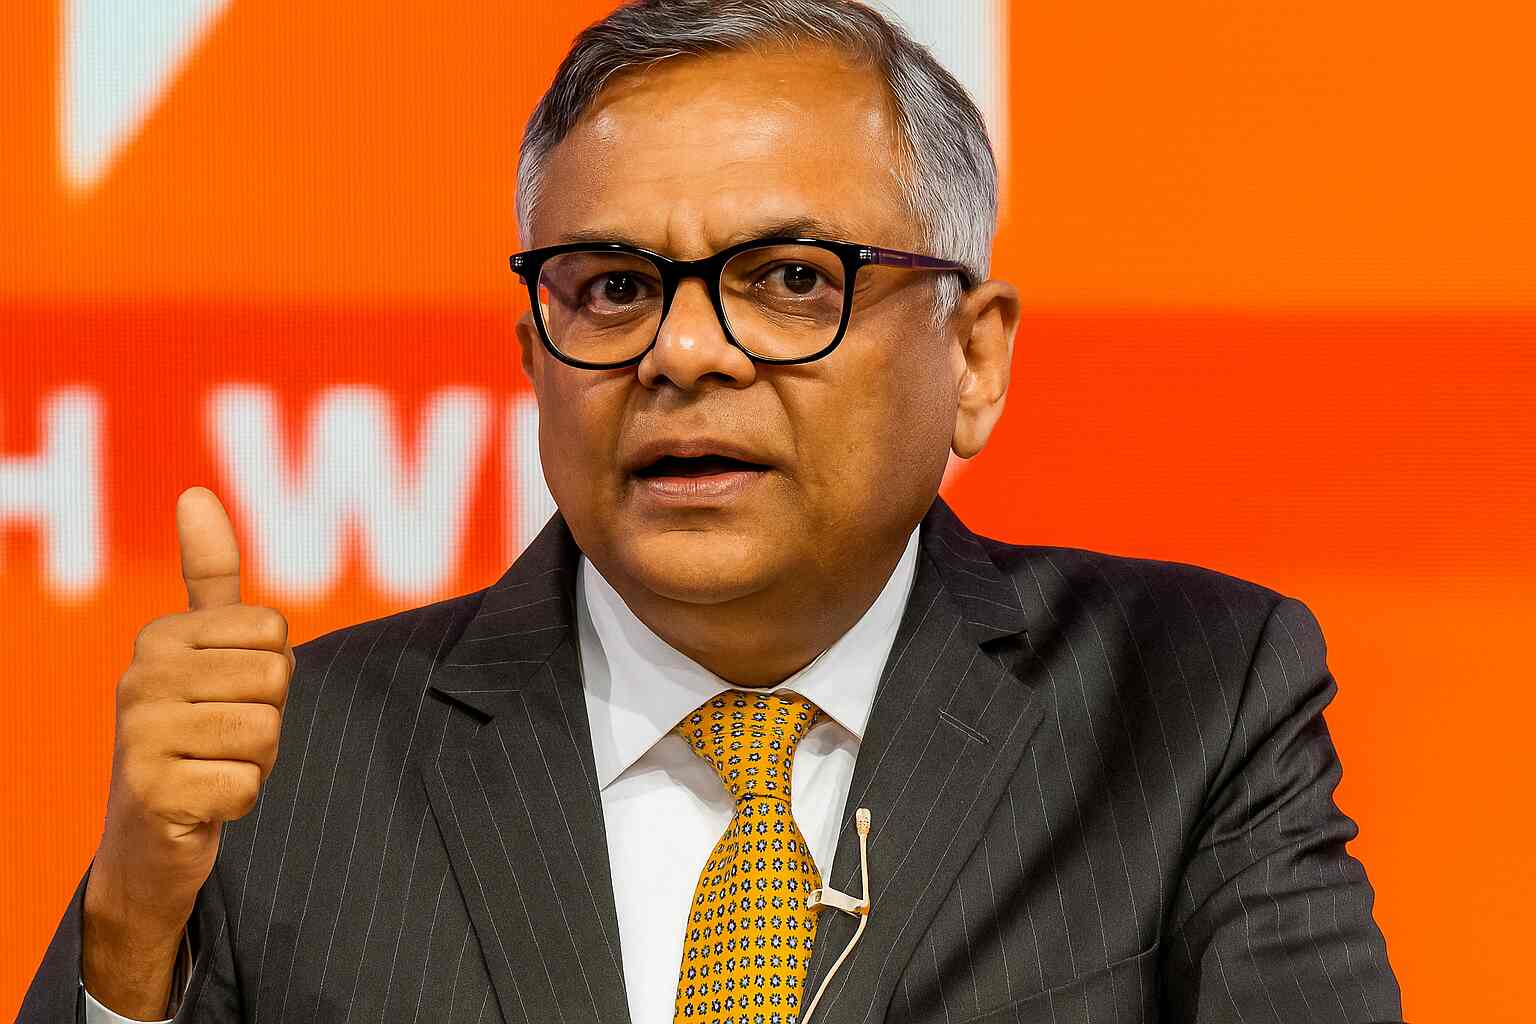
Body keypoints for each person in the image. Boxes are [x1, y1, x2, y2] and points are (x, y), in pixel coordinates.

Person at [22, 1, 1403, 1021]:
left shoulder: (1186, 703)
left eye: (791, 279)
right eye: (613, 289)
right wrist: (136, 927)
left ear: (974, 358)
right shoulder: (292, 760)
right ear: (534, 360)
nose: (686, 352)